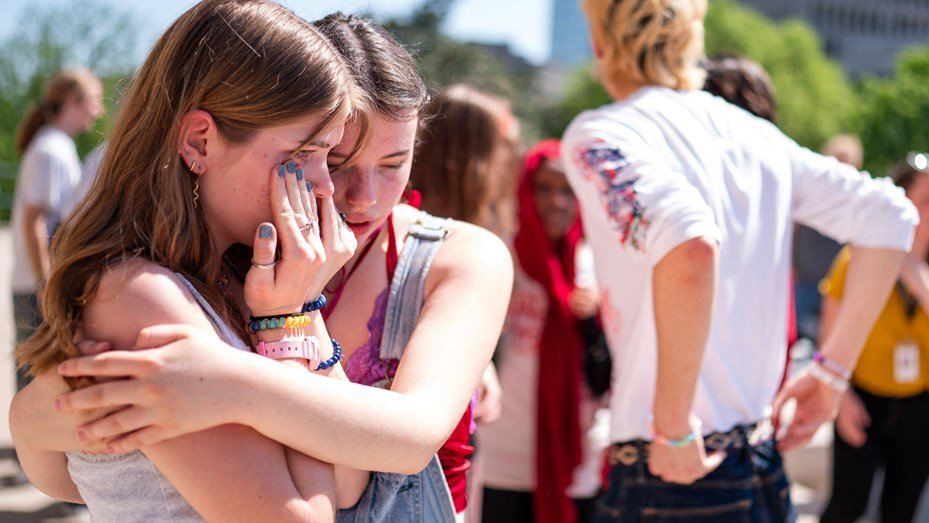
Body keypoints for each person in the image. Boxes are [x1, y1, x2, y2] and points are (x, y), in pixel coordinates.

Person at [12, 6, 511, 522]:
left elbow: (375, 461)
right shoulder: (170, 286)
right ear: (200, 142)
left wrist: (257, 354)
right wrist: (35, 417)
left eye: (393, 164)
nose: (354, 195)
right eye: (323, 157)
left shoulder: (253, 278)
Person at [561, 1, 917, 521]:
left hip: (677, 470)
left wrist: (674, 425)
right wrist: (833, 373)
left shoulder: (602, 133)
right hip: (757, 464)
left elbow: (690, 245)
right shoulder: (753, 134)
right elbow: (890, 216)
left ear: (598, 42)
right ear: (692, 38)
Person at [479, 139, 608, 523]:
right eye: (544, 189)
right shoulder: (500, 258)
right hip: (504, 458)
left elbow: (606, 376)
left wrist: (590, 324)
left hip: (578, 458)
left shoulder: (595, 266)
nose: (557, 203)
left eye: (569, 191)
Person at [820, 157, 929, 523]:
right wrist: (841, 397)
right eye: (926, 199)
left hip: (919, 406)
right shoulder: (860, 256)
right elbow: (828, 334)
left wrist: (917, 277)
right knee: (846, 506)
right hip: (862, 399)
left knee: (901, 510)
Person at [11, 68, 103, 391]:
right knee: (39, 385)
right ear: (73, 102)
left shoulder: (57, 146)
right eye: (94, 101)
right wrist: (46, 283)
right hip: (38, 284)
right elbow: (34, 220)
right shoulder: (51, 150)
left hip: (41, 281)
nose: (100, 110)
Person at [793, 135, 866, 342]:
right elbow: (792, 232)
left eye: (846, 160)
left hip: (836, 290)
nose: (841, 165)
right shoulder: (809, 194)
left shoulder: (859, 202)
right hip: (805, 283)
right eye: (837, 158)